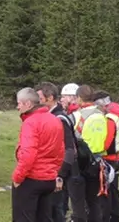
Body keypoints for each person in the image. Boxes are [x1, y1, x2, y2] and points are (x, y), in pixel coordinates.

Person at [11, 87, 65, 222]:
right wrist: (54, 171)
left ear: (28, 104)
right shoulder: (54, 119)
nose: (17, 107)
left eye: (19, 103)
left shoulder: (31, 122)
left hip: (31, 178)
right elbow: (61, 150)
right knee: (44, 217)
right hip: (48, 179)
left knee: (23, 218)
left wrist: (18, 177)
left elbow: (28, 154)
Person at [36, 82, 77, 222]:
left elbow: (69, 149)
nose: (38, 102)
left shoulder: (59, 118)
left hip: (58, 174)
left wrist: (60, 175)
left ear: (50, 97)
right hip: (49, 172)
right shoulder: (50, 116)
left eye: (40, 98)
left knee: (56, 210)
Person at [72, 85, 108, 222]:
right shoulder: (101, 115)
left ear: (79, 98)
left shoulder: (77, 116)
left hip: (81, 161)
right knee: (94, 201)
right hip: (98, 160)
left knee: (78, 201)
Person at [93, 91, 119, 222]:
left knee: (106, 192)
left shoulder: (110, 118)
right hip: (118, 156)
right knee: (114, 189)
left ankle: (108, 217)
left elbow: (107, 142)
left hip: (109, 158)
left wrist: (96, 150)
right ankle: (116, 216)